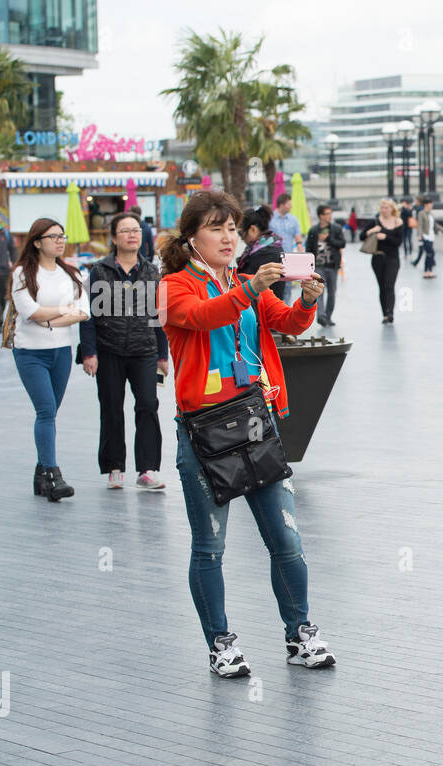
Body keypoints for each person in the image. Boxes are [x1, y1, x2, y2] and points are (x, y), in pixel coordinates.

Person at [159, 189, 336, 677]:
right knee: (209, 548)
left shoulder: (242, 283)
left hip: (256, 423)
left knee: (287, 539)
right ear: (192, 237)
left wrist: (306, 302)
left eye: (232, 228)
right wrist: (250, 289)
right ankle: (220, 644)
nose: (227, 236)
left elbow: (290, 325)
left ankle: (300, 633)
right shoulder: (174, 286)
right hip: (204, 433)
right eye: (216, 227)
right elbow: (200, 318)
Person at [80, 212, 168, 491]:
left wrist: (162, 354)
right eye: (125, 230)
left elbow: (159, 315)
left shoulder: (152, 271)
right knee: (111, 409)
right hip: (108, 351)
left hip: (145, 351)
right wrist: (89, 352)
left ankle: (148, 469)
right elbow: (89, 315)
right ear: (114, 237)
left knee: (147, 406)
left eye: (136, 230)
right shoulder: (100, 270)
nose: (132, 235)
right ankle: (114, 468)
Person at [11, 218, 91, 502]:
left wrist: (52, 320)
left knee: (50, 412)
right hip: (30, 352)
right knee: (46, 411)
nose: (60, 240)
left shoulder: (73, 274)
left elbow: (83, 311)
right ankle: (53, 475)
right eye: (53, 236)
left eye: (62, 236)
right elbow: (29, 312)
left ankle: (40, 470)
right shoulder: (23, 273)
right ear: (36, 241)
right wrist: (62, 310)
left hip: (61, 352)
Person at [364, 198, 406, 324]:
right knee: (382, 286)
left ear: (392, 209)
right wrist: (371, 231)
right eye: (382, 207)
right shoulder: (376, 221)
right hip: (378, 257)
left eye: (386, 207)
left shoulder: (398, 222)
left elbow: (398, 242)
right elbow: (362, 236)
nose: (384, 210)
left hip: (392, 258)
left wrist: (385, 236)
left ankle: (390, 313)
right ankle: (384, 314)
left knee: (389, 285)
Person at [305, 203, 346, 326]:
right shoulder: (313, 230)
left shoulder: (336, 229)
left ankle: (328, 316)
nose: (329, 216)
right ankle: (321, 316)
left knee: (332, 292)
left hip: (332, 265)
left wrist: (328, 239)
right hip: (318, 266)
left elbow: (342, 243)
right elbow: (309, 248)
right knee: (319, 290)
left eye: (330, 213)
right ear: (320, 216)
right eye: (327, 214)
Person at [238, 205, 286, 302]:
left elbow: (247, 284)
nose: (241, 238)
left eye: (241, 233)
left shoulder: (262, 254)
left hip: (263, 309)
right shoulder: (274, 246)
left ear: (252, 230)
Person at [413, 196, 438, 278]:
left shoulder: (431, 214)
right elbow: (419, 225)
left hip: (431, 236)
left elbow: (435, 225)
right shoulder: (421, 213)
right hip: (425, 236)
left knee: (429, 254)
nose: (432, 205)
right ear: (426, 204)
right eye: (431, 203)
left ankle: (429, 271)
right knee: (431, 253)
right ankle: (426, 271)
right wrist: (419, 235)